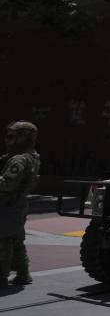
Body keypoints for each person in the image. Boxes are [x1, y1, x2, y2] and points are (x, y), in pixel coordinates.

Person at [0, 121, 41, 288]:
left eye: (11, 136)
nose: (7, 140)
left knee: (2, 241)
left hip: (7, 205)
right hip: (18, 204)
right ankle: (23, 274)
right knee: (16, 240)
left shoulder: (19, 159)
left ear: (24, 138)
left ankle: (1, 277)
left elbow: (6, 184)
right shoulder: (32, 156)